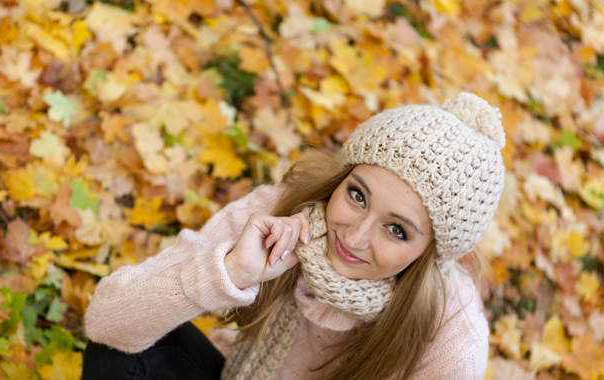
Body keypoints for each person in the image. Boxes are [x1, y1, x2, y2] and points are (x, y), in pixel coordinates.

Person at [81, 92, 505, 380]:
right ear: (342, 177)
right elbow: (106, 324)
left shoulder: (451, 331)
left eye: (396, 230)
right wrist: (231, 271)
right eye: (357, 195)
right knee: (136, 341)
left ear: (431, 252)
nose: (354, 237)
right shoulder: (278, 214)